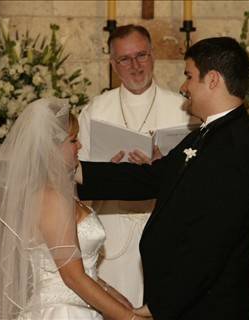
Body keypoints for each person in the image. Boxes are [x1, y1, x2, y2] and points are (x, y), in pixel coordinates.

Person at [77, 37, 249, 319]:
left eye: (189, 76)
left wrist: (162, 304)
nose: (183, 87)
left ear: (212, 80)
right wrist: (76, 172)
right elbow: (152, 178)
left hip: (210, 306)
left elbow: (211, 244)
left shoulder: (233, 146)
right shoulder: (210, 133)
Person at [0, 98, 146, 320]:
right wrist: (130, 319)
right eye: (73, 140)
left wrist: (122, 303)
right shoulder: (51, 198)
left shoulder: (61, 192)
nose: (79, 146)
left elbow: (82, 269)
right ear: (51, 149)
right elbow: (72, 277)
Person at [78, 24, 196, 307]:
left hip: (163, 227)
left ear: (153, 56)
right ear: (112, 64)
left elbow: (198, 180)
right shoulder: (96, 110)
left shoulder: (184, 110)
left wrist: (162, 169)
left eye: (141, 55)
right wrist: (106, 170)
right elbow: (73, 176)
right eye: (124, 59)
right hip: (111, 233)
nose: (135, 66)